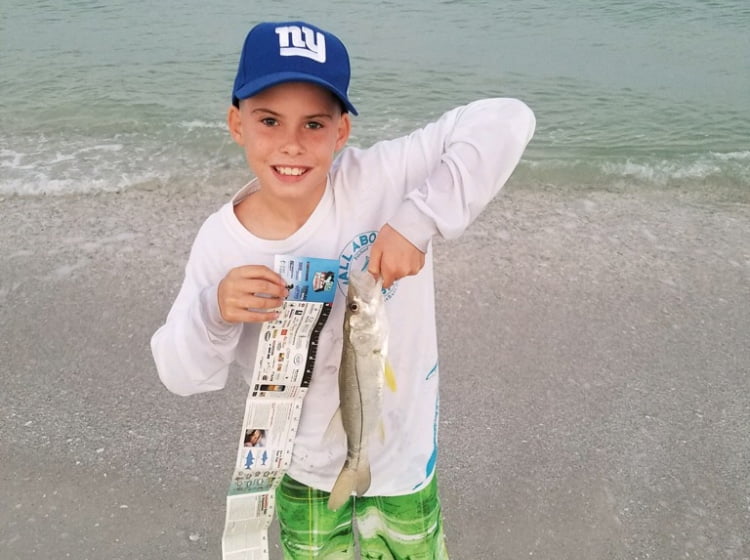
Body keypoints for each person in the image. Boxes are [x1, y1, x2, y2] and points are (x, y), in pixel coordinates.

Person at [151, 19, 535, 559]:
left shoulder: (381, 179)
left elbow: (507, 118)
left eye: (314, 124)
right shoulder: (222, 242)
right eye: (269, 119)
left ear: (342, 132)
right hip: (295, 465)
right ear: (236, 123)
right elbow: (179, 373)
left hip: (401, 456)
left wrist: (417, 219)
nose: (291, 143)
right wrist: (213, 310)